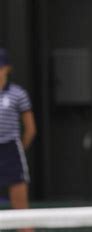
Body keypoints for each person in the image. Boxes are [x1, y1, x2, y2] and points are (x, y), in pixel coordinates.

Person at [0, 48, 36, 232]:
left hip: (11, 151)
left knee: (21, 211)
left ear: (7, 68)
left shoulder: (18, 94)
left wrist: (19, 147)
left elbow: (30, 129)